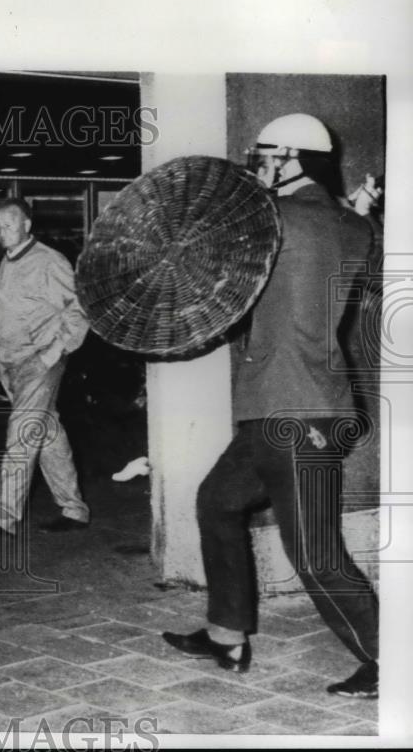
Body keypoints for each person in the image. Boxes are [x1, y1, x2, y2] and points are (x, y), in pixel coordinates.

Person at [162, 113, 380, 698]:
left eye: (264, 157)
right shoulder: (350, 224)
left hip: (292, 414)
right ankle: (228, 634)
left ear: (291, 160)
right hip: (297, 408)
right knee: (217, 501)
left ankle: (389, 658)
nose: (256, 166)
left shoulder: (276, 222)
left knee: (314, 553)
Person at [0, 198, 91, 537]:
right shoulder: (8, 260)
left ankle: (3, 517)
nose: (1, 231)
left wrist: (52, 354)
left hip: (39, 362)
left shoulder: (49, 261)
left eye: (9, 224)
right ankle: (74, 508)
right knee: (47, 432)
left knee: (21, 434)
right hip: (11, 363)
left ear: (27, 225)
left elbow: (79, 309)